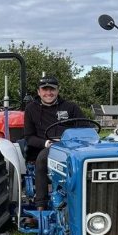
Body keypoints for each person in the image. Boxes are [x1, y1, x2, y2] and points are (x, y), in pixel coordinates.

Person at [23, 76, 84, 210]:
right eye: (45, 89)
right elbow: (29, 137)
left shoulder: (70, 107)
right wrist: (46, 143)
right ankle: (41, 205)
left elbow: (84, 127)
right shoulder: (31, 109)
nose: (48, 93)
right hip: (46, 147)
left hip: (70, 146)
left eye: (52, 89)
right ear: (39, 92)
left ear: (58, 90)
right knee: (42, 159)